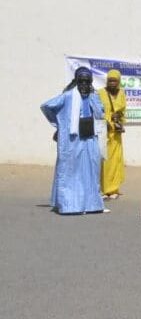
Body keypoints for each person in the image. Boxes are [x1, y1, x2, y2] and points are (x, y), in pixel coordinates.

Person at [41, 67, 107, 215]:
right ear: (76, 81)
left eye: (87, 82)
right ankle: (70, 204)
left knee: (91, 169)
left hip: (89, 138)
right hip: (72, 140)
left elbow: (100, 113)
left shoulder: (94, 96)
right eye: (81, 81)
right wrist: (60, 124)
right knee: (71, 171)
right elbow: (46, 106)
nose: (84, 84)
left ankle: (91, 204)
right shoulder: (68, 96)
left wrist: (93, 98)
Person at [98, 69, 127, 199]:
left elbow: (123, 110)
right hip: (104, 132)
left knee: (116, 161)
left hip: (116, 133)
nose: (112, 83)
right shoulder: (100, 93)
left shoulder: (121, 93)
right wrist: (106, 121)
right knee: (105, 161)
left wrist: (120, 120)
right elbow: (97, 111)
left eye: (115, 80)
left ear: (119, 81)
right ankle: (104, 189)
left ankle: (114, 189)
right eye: (110, 80)